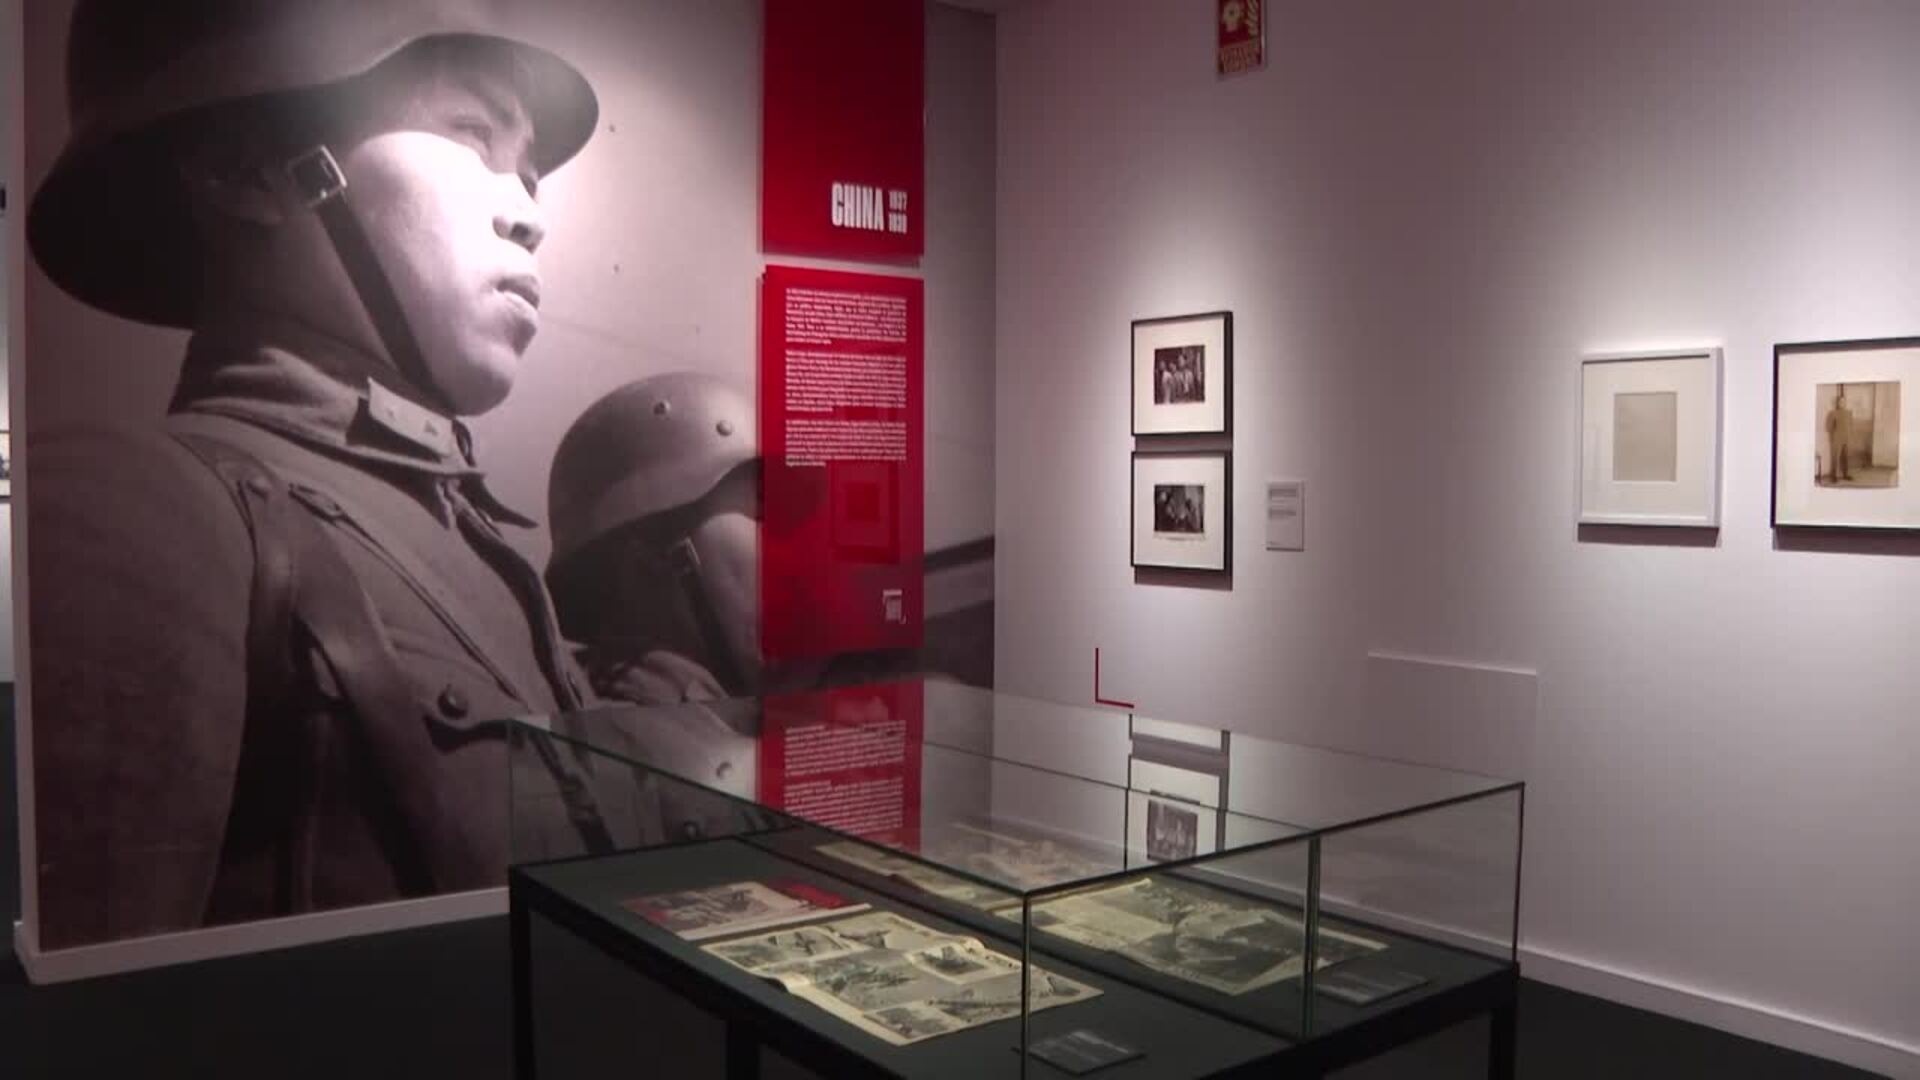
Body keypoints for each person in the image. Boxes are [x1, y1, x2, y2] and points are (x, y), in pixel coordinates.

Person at [25, 0, 638, 948]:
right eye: (469, 133)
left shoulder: (484, 552)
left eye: (526, 170)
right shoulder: (143, 509)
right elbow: (93, 1010)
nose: (529, 214)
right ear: (248, 166)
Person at [1825, 386, 1856, 483]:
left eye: (1844, 401)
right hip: (1837, 439)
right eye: (1840, 402)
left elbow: (1851, 425)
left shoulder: (1849, 413)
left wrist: (1850, 436)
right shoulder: (1832, 413)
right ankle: (1833, 476)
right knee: (1835, 458)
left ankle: (1845, 474)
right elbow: (1828, 427)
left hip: (1847, 439)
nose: (1842, 403)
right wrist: (1833, 437)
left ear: (1845, 403)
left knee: (1846, 457)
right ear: (1837, 403)